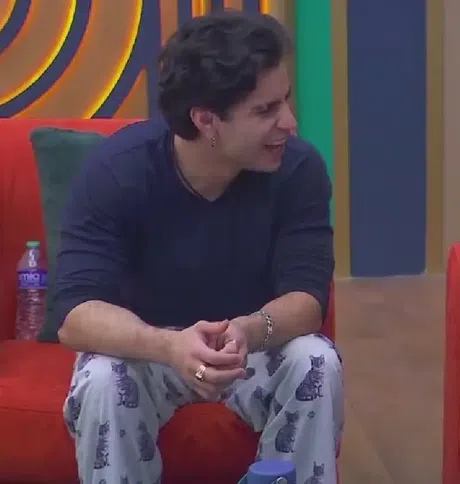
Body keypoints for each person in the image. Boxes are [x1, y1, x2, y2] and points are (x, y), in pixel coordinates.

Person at [56, 10, 342, 484]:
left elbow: (308, 299)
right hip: (148, 351)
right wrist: (168, 346)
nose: (289, 123)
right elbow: (74, 314)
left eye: (285, 101)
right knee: (103, 379)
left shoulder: (298, 170)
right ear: (206, 120)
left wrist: (248, 331)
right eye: (266, 111)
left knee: (316, 359)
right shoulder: (118, 172)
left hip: (250, 348)